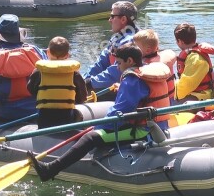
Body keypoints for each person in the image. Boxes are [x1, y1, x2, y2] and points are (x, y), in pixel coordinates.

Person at [28, 44, 172, 182]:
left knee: (90, 137)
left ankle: (50, 169)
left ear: (130, 61)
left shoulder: (132, 80)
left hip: (142, 132)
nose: (117, 66)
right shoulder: (145, 73)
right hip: (159, 128)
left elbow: (120, 111)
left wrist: (100, 127)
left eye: (119, 63)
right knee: (98, 131)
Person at [27, 36, 88, 129]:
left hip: (44, 120)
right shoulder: (74, 73)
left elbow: (31, 89)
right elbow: (82, 96)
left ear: (47, 52)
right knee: (79, 114)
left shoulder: (39, 71)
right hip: (68, 118)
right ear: (67, 55)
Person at [84, 1, 140, 99]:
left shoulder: (130, 43)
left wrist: (90, 83)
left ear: (123, 19)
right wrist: (84, 79)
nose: (109, 20)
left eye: (112, 16)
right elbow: (100, 63)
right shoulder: (117, 38)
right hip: (112, 83)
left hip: (124, 88)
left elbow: (116, 72)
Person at [173, 23, 214, 102]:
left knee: (165, 100)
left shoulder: (195, 59)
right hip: (198, 95)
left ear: (180, 41)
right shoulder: (192, 55)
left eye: (176, 41)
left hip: (200, 99)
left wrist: (169, 90)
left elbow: (185, 86)